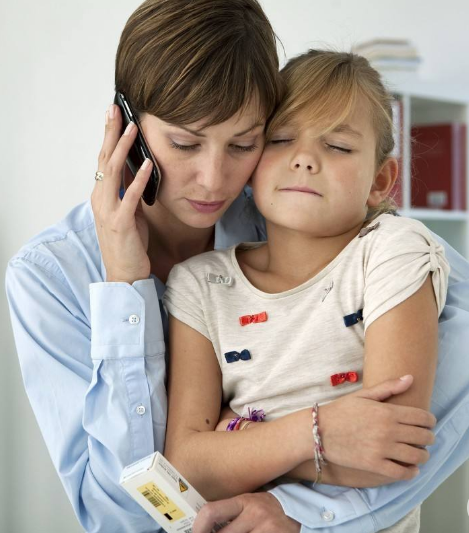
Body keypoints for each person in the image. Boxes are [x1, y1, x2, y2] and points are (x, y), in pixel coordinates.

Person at [4, 1, 469, 532]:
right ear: (126, 124)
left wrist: (285, 488)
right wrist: (124, 290)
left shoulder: (292, 206)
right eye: (184, 143)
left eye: (244, 143)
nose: (214, 179)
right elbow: (118, 516)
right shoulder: (49, 276)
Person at [162, 49, 450, 533]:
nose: (304, 159)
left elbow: (385, 451)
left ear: (381, 180)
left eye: (338, 146)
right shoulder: (200, 283)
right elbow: (187, 467)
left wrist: (235, 433)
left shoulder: (391, 252)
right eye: (280, 139)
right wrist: (324, 433)